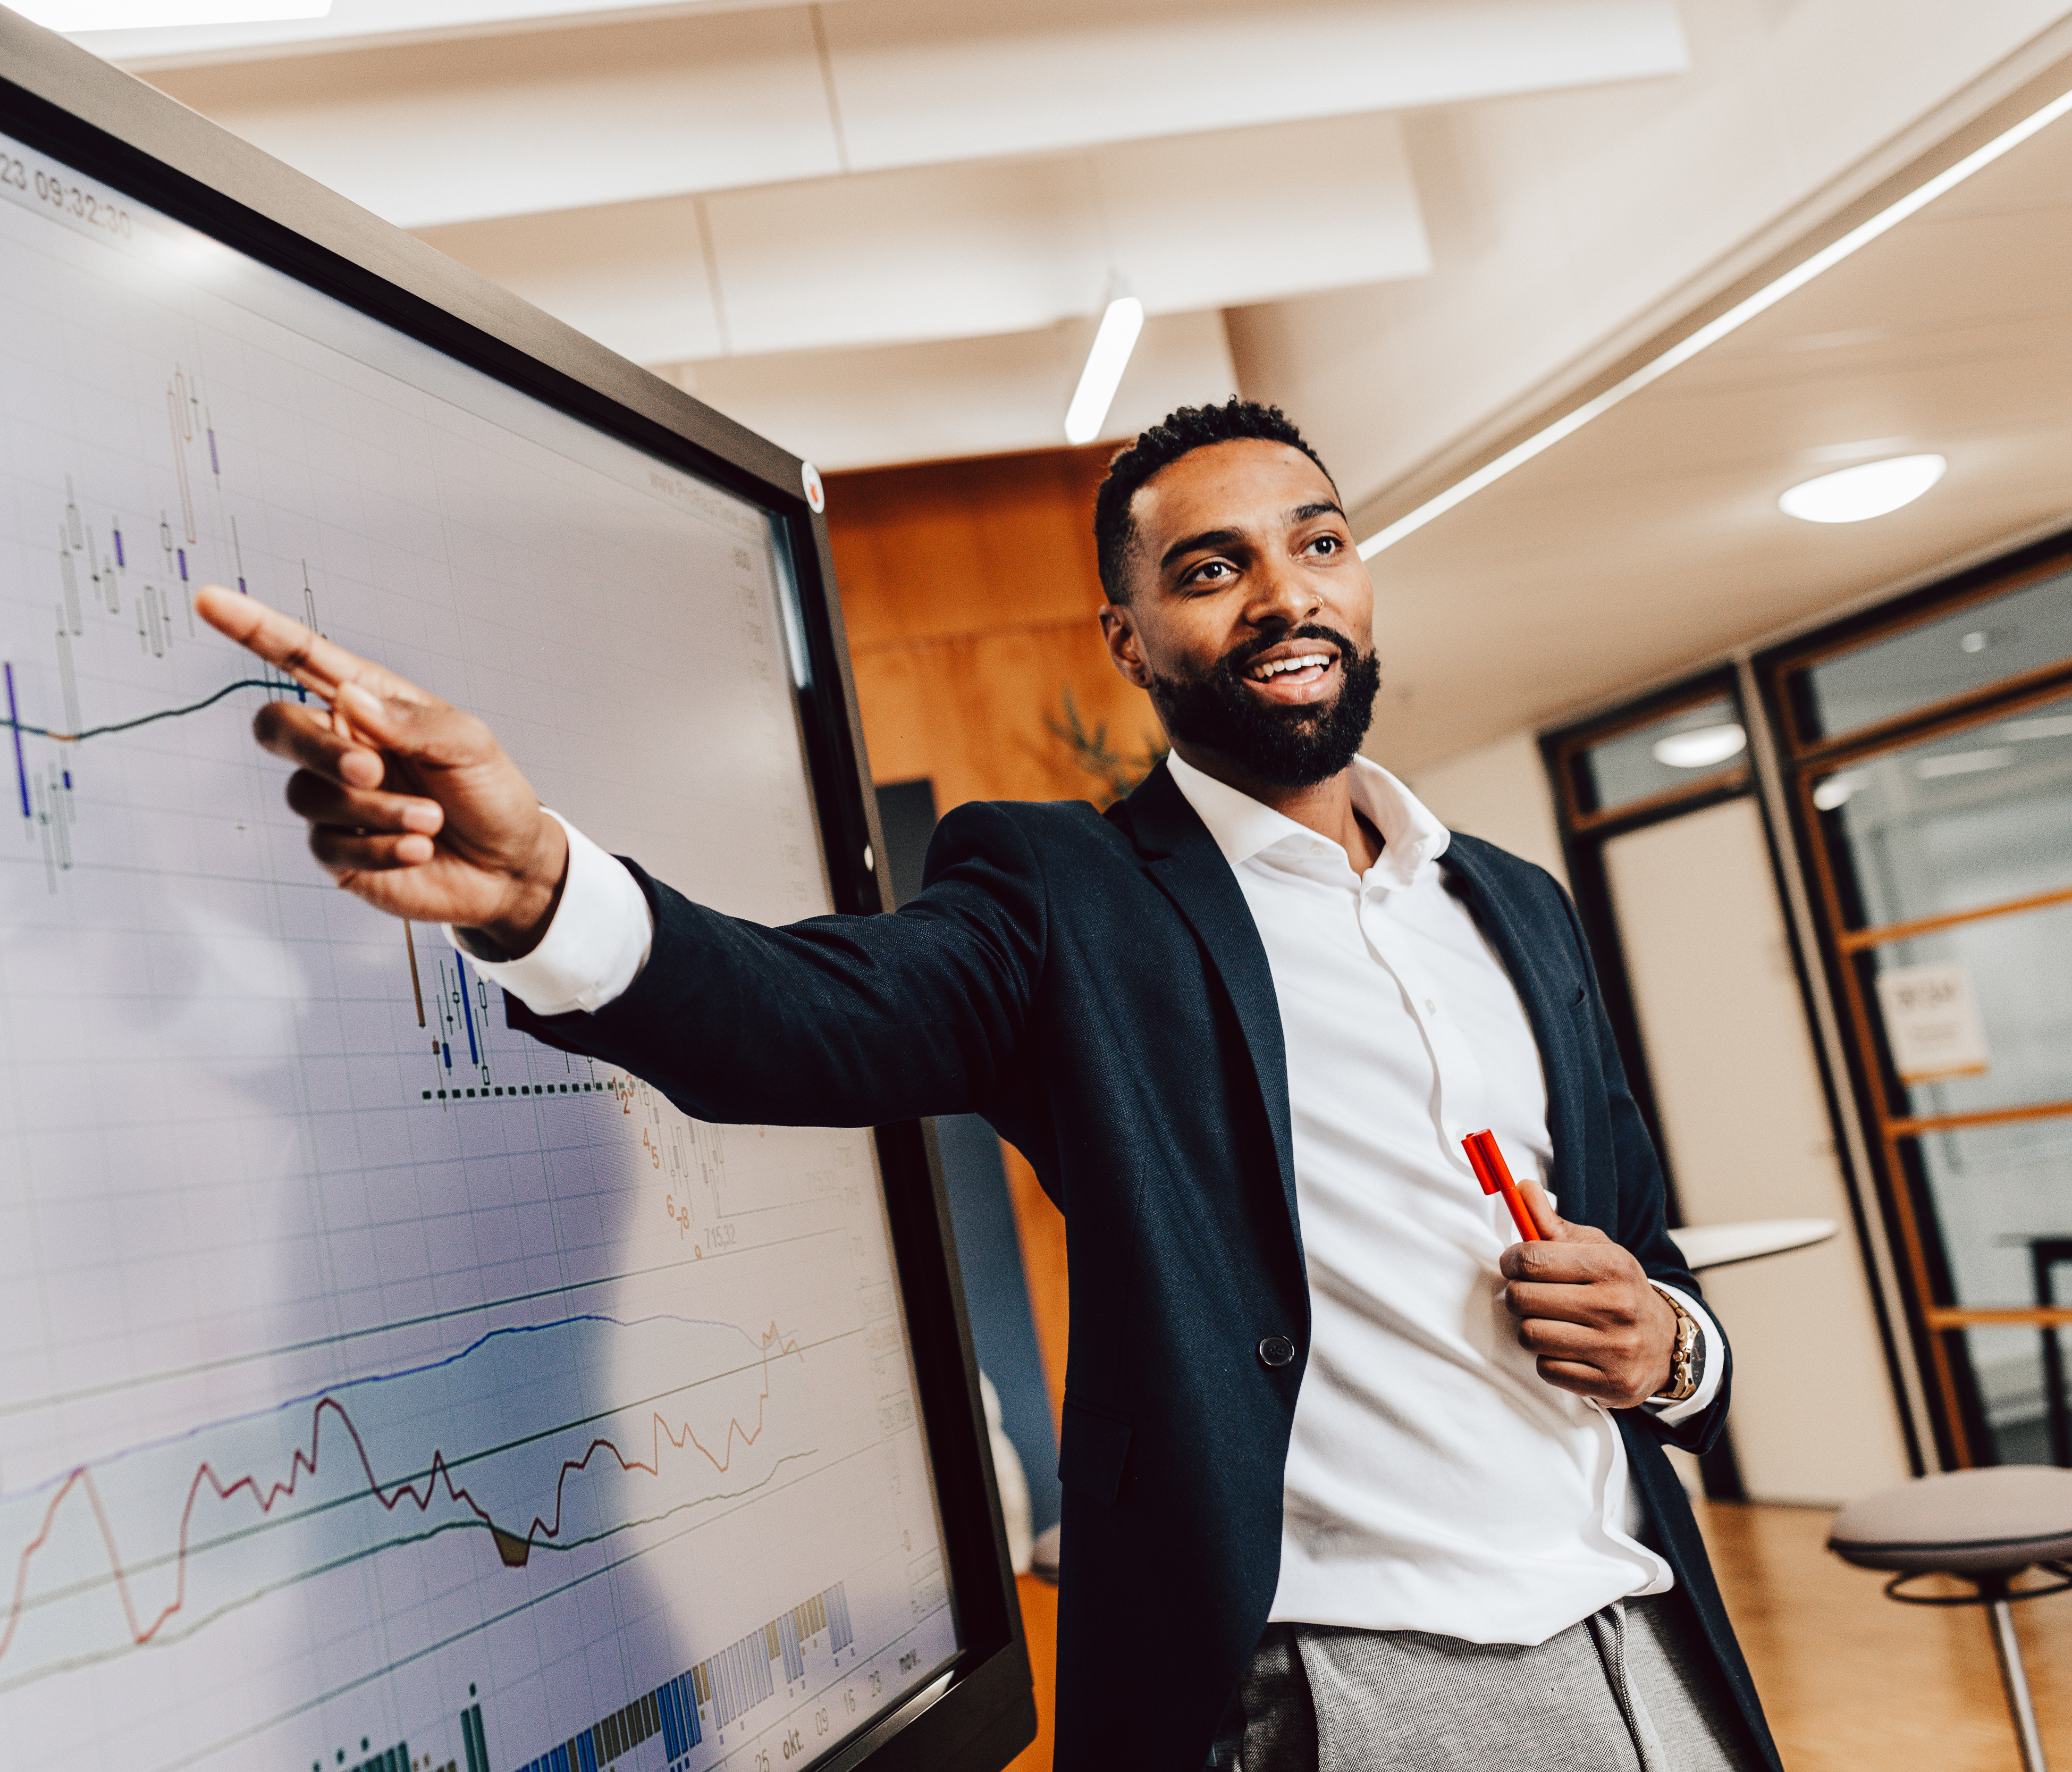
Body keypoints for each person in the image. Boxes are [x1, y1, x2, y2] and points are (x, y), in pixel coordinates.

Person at [192, 400, 1779, 1772]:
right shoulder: (1067, 898)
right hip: (1358, 1682)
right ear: (1129, 638)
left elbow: (1650, 1252)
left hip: (1647, 1639)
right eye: (1211, 568)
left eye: (1321, 543)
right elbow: (800, 1017)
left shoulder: (1513, 901)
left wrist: (1674, 1345)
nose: (1284, 595)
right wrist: (548, 887)